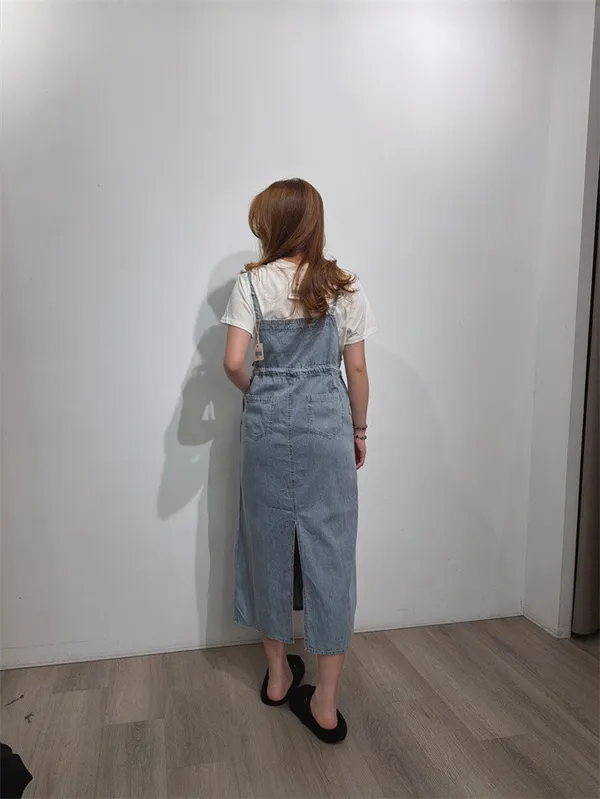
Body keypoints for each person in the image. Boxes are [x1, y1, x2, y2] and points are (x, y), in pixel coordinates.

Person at [221, 178, 375, 743]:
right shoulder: (343, 285)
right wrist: (359, 429)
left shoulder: (251, 284)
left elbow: (233, 362)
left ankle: (280, 678)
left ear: (273, 225)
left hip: (267, 430)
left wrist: (260, 390)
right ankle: (326, 707)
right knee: (330, 551)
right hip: (326, 428)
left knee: (266, 543)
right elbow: (356, 370)